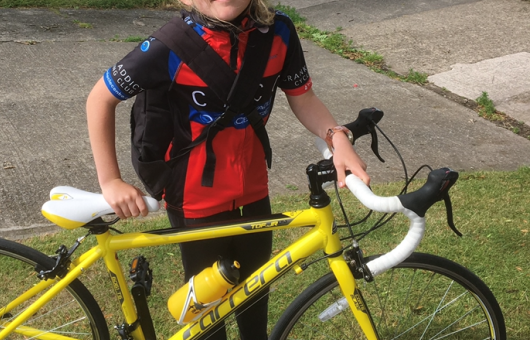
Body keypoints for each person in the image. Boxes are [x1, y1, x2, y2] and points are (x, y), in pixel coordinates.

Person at [86, 0, 370, 338]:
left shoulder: (279, 32)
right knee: (208, 317)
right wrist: (111, 180)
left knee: (254, 300)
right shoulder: (167, 46)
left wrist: (336, 137)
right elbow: (100, 98)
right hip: (194, 199)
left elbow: (303, 97)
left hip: (253, 189)